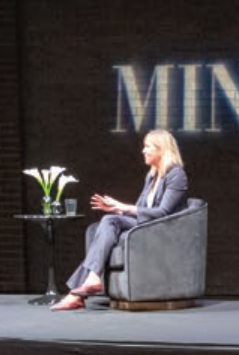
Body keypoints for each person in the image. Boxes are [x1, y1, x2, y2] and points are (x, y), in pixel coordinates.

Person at [55, 128, 190, 310]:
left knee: (110, 222)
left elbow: (164, 212)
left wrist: (123, 207)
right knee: (108, 220)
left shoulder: (176, 174)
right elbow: (142, 210)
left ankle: (78, 293)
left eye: (148, 146)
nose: (143, 151)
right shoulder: (151, 176)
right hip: (146, 225)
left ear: (162, 149)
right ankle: (88, 283)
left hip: (161, 230)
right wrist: (116, 210)